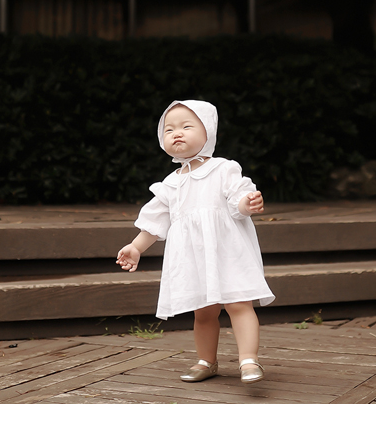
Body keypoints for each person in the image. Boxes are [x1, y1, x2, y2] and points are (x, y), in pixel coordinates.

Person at [117, 99, 274, 383]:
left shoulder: (223, 169)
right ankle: (206, 361)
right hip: (194, 257)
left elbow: (237, 198)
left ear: (208, 132)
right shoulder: (169, 184)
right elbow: (155, 221)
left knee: (239, 304)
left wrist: (247, 203)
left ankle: (249, 360)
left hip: (228, 251)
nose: (176, 133)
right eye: (169, 129)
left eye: (186, 126)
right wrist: (136, 247)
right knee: (203, 311)